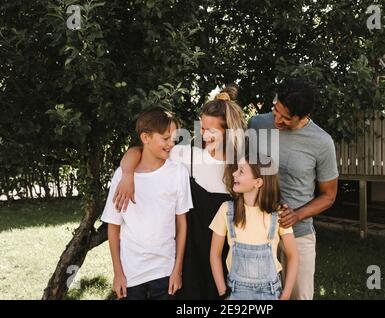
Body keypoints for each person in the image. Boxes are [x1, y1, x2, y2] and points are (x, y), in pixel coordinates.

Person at [113, 85, 247, 299]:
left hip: (228, 257)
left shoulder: (242, 168)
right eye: (201, 128)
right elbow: (141, 149)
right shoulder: (188, 156)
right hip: (190, 258)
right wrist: (127, 174)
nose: (203, 135)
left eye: (211, 130)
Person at [248, 77, 339, 300]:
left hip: (298, 236)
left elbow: (329, 196)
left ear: (303, 116)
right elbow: (244, 171)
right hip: (258, 231)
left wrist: (297, 215)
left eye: (285, 117)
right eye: (275, 110)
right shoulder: (256, 125)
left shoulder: (321, 142)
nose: (277, 119)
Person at [100, 107, 192, 300]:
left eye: (174, 138)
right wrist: (117, 273)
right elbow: (113, 226)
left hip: (165, 273)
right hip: (131, 274)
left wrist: (177, 269)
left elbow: (182, 224)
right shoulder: (122, 176)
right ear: (146, 137)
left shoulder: (178, 172)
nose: (171, 144)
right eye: (165, 138)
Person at [209, 152, 298, 300]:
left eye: (241, 171)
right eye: (236, 169)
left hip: (270, 294)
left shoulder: (278, 214)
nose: (234, 174)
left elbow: (293, 255)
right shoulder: (226, 210)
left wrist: (286, 295)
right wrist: (223, 294)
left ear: (258, 182)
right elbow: (214, 254)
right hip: (235, 293)